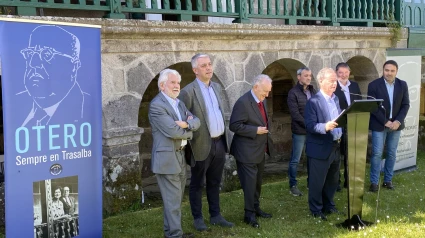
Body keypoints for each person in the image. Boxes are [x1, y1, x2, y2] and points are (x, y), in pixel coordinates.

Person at [178, 53, 234, 231]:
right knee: (196, 184)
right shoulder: (188, 92)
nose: (209, 68)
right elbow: (184, 120)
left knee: (214, 182)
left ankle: (215, 215)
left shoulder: (216, 87)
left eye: (209, 64)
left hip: (219, 143)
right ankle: (198, 218)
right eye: (203, 65)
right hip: (200, 145)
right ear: (195, 70)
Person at [149, 69, 200, 238]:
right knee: (172, 202)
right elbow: (173, 132)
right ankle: (175, 235)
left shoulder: (179, 103)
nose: (177, 86)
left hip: (180, 156)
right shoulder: (157, 105)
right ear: (162, 85)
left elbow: (197, 121)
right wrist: (189, 128)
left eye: (178, 83)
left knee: (175, 201)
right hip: (167, 159)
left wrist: (185, 124)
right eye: (173, 82)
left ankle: (171, 233)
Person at [17, 25, 88, 127]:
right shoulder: (15, 103)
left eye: (47, 54)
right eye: (30, 53)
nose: (33, 63)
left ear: (74, 66)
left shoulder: (87, 107)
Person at [229, 74, 274, 228]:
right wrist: (255, 130)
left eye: (268, 92)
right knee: (249, 184)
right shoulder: (243, 102)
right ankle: (249, 215)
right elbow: (234, 126)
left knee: (257, 183)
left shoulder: (263, 100)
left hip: (259, 150)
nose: (266, 95)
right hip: (246, 151)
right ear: (255, 87)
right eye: (264, 92)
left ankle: (255, 208)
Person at [304, 68, 342, 220]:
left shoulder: (336, 99)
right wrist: (325, 127)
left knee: (332, 180)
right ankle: (316, 209)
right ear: (321, 82)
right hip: (320, 148)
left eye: (335, 81)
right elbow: (310, 125)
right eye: (331, 81)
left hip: (335, 146)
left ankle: (329, 206)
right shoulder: (313, 102)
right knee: (317, 182)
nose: (335, 84)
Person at [368, 60, 410, 192]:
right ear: (383, 70)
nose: (389, 73)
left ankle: (387, 180)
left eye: (392, 71)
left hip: (396, 125)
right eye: (387, 70)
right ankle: (374, 182)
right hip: (380, 124)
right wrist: (386, 121)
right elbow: (372, 106)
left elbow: (405, 105)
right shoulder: (373, 85)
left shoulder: (402, 85)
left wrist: (397, 121)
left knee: (391, 153)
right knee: (377, 154)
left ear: (396, 71)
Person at [287, 67, 316, 196]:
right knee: (295, 160)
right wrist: (309, 124)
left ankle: (311, 184)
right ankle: (293, 185)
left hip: (312, 131)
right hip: (300, 131)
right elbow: (295, 114)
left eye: (310, 75)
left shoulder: (313, 90)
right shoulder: (293, 93)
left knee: (312, 158)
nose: (308, 78)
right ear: (298, 77)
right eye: (305, 76)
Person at [333, 62, 362, 191]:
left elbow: (359, 102)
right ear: (336, 73)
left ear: (349, 73)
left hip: (353, 124)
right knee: (338, 154)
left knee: (350, 155)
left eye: (346, 73)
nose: (343, 75)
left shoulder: (354, 86)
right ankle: (336, 182)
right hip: (339, 125)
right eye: (340, 73)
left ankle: (348, 181)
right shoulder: (334, 86)